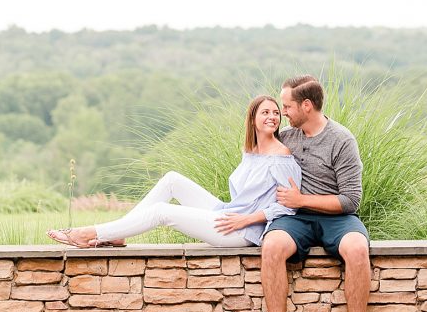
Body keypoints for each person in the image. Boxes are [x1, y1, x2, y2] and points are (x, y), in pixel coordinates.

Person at [47, 95, 301, 249]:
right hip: (229, 214)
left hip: (242, 231)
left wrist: (246, 220)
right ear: (253, 118)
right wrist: (236, 214)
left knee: (161, 212)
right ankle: (117, 234)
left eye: (276, 112)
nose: (273, 117)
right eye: (265, 112)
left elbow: (289, 207)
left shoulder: (281, 157)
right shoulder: (252, 151)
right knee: (172, 180)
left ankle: (92, 233)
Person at [258, 75, 371, 312]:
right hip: (296, 219)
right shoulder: (287, 136)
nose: (284, 112)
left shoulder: (342, 140)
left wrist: (303, 200)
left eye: (287, 106)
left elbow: (350, 200)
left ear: (306, 106)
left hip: (337, 217)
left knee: (357, 248)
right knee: (271, 246)